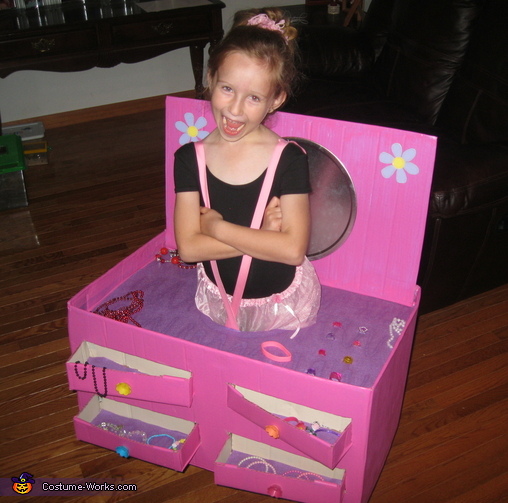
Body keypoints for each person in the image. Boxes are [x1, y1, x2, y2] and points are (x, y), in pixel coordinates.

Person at [173, 7, 321, 332]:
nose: (235, 110)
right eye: (227, 89)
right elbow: (188, 248)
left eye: (254, 97)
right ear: (211, 78)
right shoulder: (188, 159)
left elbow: (293, 251)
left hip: (281, 306)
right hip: (218, 298)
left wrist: (214, 227)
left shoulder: (290, 159)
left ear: (276, 99)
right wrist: (266, 238)